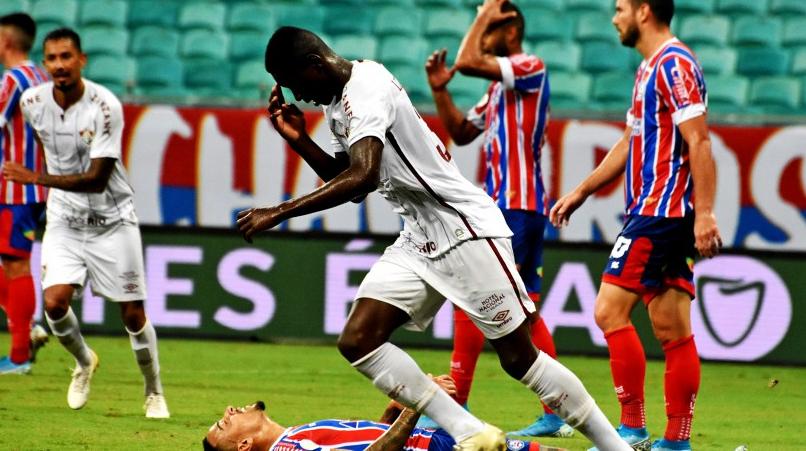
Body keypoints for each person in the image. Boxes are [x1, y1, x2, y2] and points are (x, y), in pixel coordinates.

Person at [237, 25, 632, 451]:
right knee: (358, 339)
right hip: (419, 237)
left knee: (521, 359)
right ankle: (469, 431)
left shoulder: (366, 88)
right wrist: (299, 140)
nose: (299, 97)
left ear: (315, 64)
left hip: (464, 230)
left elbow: (361, 175)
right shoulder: (339, 105)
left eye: (296, 85)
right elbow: (353, 180)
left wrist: (280, 211)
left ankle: (616, 448)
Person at [550, 1, 721, 450]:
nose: (614, 17)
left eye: (621, 7)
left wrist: (704, 213)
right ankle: (676, 441)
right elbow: (630, 141)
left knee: (608, 311)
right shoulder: (648, 69)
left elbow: (700, 140)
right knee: (671, 328)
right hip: (657, 210)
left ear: (645, 11)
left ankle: (631, 430)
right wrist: (582, 191)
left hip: (663, 211)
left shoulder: (674, 63)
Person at [2, 27, 170, 418]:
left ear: (82, 60)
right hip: (65, 220)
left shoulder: (105, 105)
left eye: (66, 57)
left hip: (112, 219)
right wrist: (49, 194)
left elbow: (96, 177)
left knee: (132, 314)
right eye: (52, 59)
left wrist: (37, 179)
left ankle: (153, 391)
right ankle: (83, 362)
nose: (59, 65)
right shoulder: (31, 101)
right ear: (45, 64)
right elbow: (48, 147)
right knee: (54, 303)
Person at [424, 0, 570, 438]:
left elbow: (468, 61)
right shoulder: (500, 88)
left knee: (470, 295)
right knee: (524, 312)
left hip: (516, 206)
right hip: (510, 207)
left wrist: (485, 12)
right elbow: (462, 133)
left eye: (489, 31)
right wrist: (439, 91)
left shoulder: (530, 65)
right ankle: (556, 411)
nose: (480, 40)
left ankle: (458, 402)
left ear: (508, 31)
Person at [202, 375, 565, 451]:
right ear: (244, 444)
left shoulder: (294, 435)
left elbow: (370, 441)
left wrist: (391, 413)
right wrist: (417, 405)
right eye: (223, 424)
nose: (229, 411)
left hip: (436, 439)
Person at [0, 12, 49, 375]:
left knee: (16, 263)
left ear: (6, 41)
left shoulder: (14, 79)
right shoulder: (43, 76)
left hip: (13, 189)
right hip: (35, 188)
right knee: (15, 263)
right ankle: (26, 329)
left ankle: (18, 356)